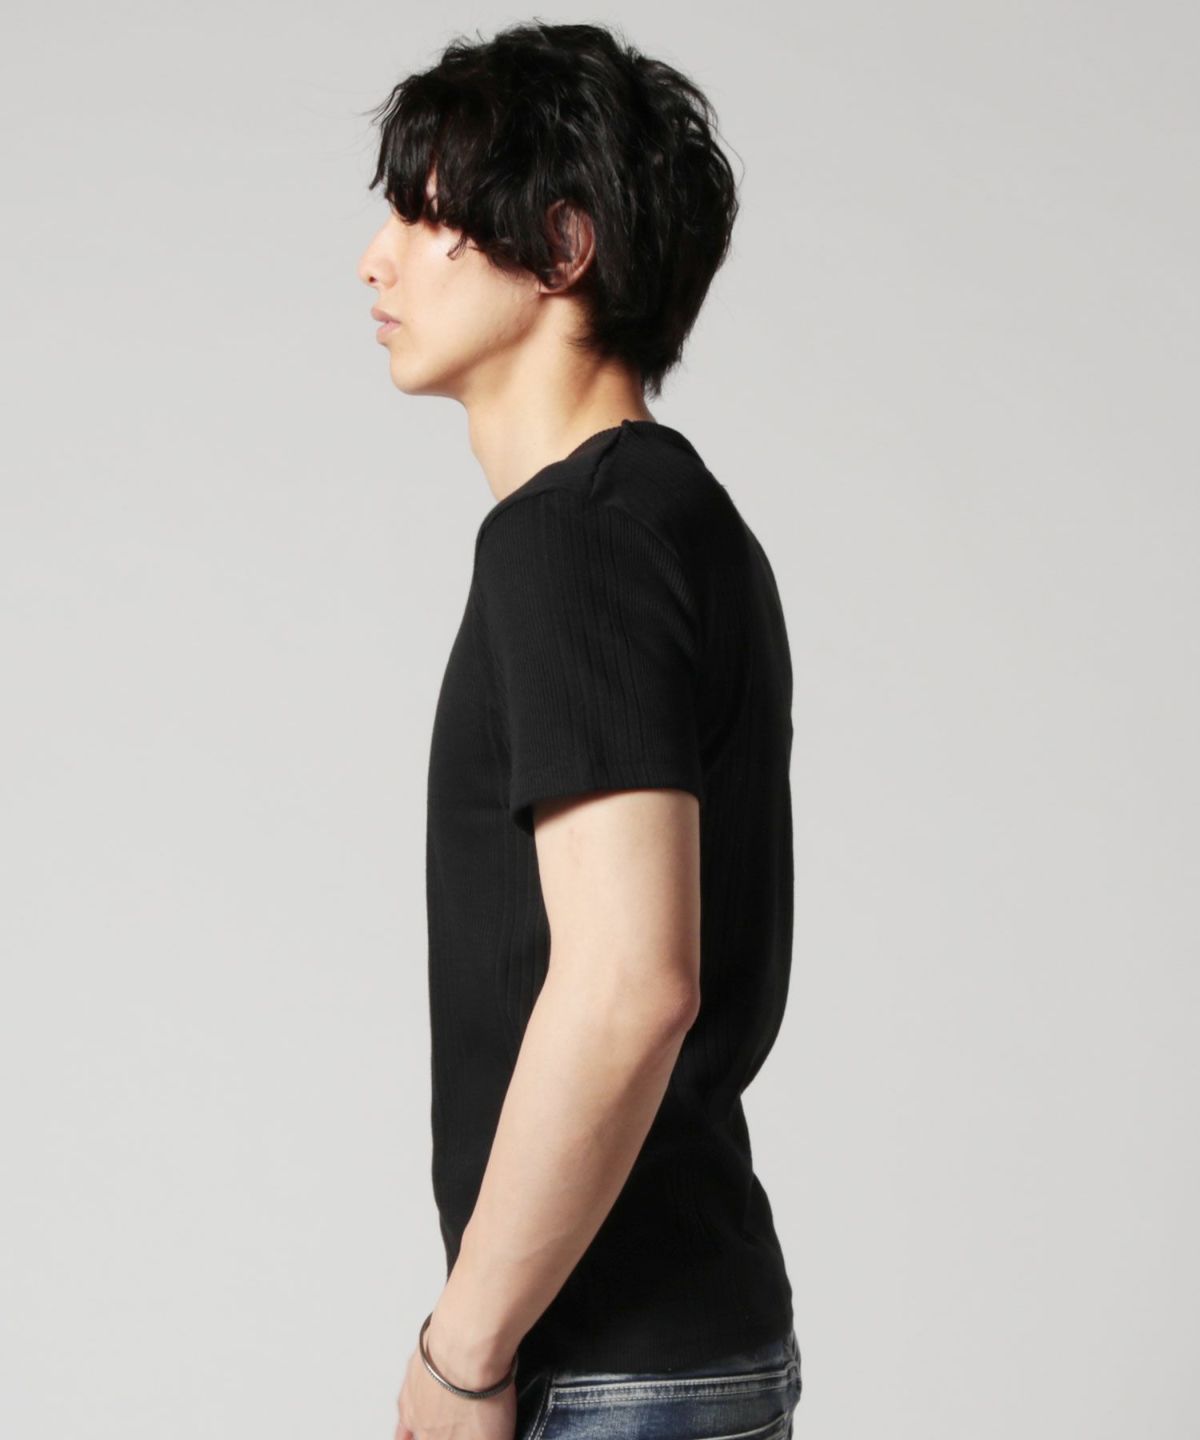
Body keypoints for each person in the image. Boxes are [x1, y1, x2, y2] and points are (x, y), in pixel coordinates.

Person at [357, 21, 802, 1440]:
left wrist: (464, 1351)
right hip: (681, 1347)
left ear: (560, 246)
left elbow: (627, 985)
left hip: (610, 1371)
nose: (375, 260)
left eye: (424, 216)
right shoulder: (672, 518)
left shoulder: (576, 538)